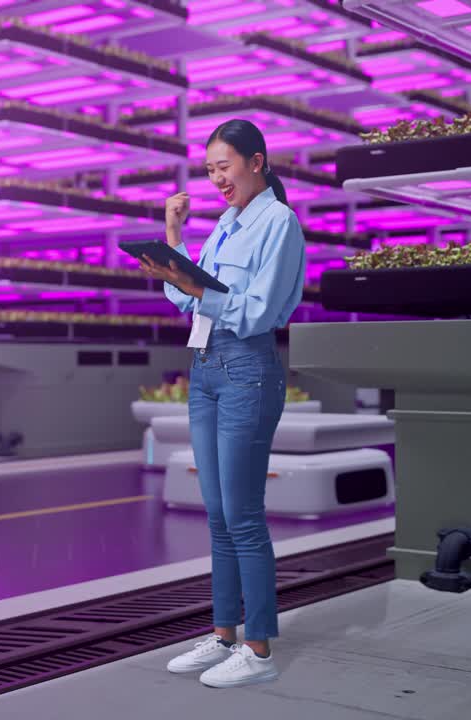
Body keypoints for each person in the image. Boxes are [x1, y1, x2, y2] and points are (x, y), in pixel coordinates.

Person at [137, 119, 306, 689]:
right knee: (217, 514)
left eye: (224, 166)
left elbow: (258, 311)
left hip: (247, 371)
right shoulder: (225, 225)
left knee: (244, 514)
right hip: (207, 369)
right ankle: (224, 634)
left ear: (256, 162)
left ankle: (258, 651)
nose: (216, 178)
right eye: (209, 169)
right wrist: (172, 235)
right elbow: (184, 296)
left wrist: (194, 289)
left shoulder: (278, 224)